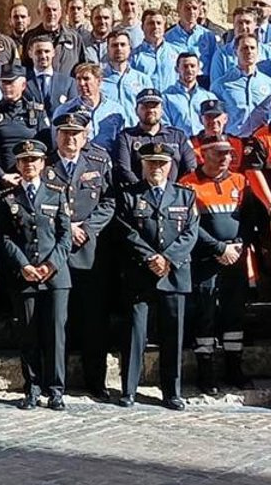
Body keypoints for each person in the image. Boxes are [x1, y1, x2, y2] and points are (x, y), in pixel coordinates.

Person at [115, 141, 198, 409]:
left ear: (171, 165)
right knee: (134, 335)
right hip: (141, 273)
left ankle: (172, 391)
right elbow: (126, 230)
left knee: (172, 337)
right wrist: (150, 257)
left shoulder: (185, 196)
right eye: (151, 163)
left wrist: (168, 259)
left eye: (161, 164)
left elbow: (191, 233)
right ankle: (128, 389)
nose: (156, 168)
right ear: (143, 165)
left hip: (174, 275)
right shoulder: (130, 196)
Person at [0, 137, 72, 410]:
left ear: (42, 163)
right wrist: (23, 265)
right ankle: (33, 387)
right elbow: (3, 237)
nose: (29, 164)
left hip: (55, 277)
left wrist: (51, 265)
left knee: (55, 334)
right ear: (17, 163)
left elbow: (65, 236)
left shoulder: (56, 192)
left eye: (34, 160)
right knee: (28, 334)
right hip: (24, 275)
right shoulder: (7, 197)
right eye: (24, 160)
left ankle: (56, 389)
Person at [41, 115, 115, 400]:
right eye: (65, 133)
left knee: (94, 319)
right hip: (55, 252)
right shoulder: (44, 165)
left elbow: (109, 201)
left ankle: (96, 381)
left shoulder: (97, 163)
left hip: (89, 251)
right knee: (56, 321)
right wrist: (65, 227)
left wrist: (86, 228)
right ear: (57, 136)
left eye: (76, 134)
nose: (70, 139)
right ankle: (54, 383)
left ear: (85, 137)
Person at [182, 135, 251, 394]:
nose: (225, 158)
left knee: (234, 314)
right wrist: (219, 248)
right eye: (218, 154)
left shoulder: (240, 182)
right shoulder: (188, 184)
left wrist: (238, 244)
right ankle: (206, 372)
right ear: (204, 154)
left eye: (228, 154)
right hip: (205, 260)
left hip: (236, 258)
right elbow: (191, 225)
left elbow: (250, 218)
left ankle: (235, 368)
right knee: (205, 315)